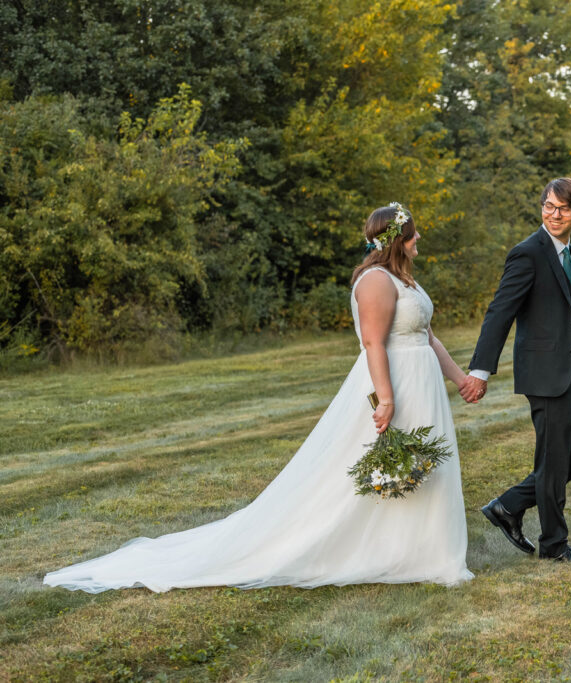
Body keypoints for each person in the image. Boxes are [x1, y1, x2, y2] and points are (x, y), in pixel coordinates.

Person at [43, 203, 474, 592]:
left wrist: (459, 379)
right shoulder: (376, 281)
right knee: (376, 471)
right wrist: (386, 399)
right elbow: (374, 344)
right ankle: (370, 548)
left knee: (423, 467)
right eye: (414, 234)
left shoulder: (406, 281)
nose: (420, 240)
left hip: (423, 385)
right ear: (398, 239)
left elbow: (428, 337)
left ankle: (423, 550)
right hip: (392, 382)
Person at [462, 177, 571, 564]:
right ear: (541, 206)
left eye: (563, 209)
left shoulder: (570, 253)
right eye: (548, 206)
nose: (554, 214)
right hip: (544, 375)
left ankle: (508, 505)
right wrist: (480, 370)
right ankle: (554, 546)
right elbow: (500, 312)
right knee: (553, 462)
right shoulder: (527, 253)